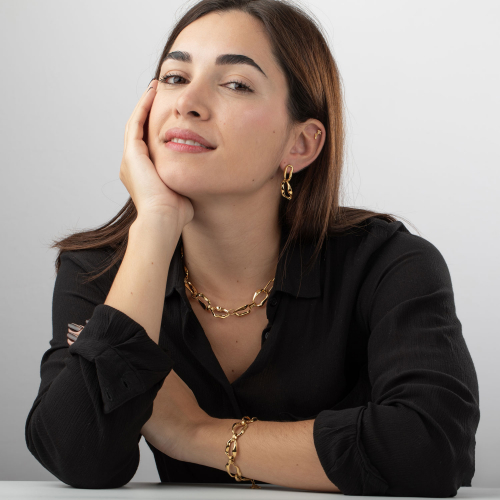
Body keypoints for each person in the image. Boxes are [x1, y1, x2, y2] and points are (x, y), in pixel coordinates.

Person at [25, 0, 480, 496]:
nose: (187, 102)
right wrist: (155, 222)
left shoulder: (389, 265)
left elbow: (433, 448)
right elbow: (78, 457)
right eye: (175, 77)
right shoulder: (100, 271)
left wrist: (195, 434)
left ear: (300, 145)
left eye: (236, 84)